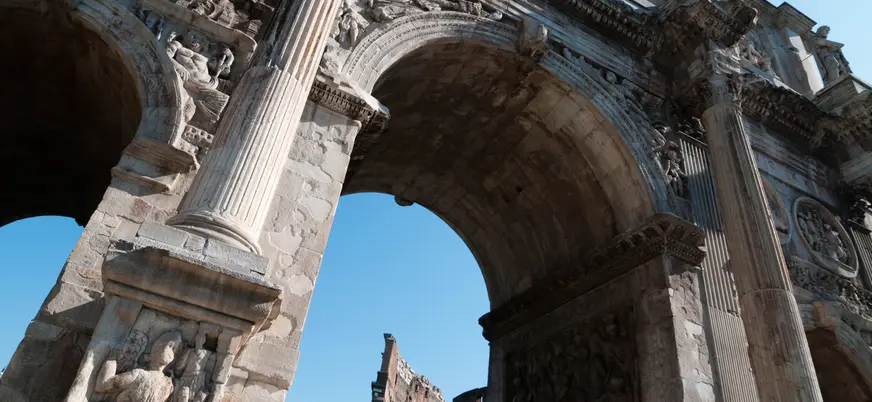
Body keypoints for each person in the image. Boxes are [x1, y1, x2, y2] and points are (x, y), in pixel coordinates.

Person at [95, 331, 183, 402]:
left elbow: (103, 385)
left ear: (154, 348)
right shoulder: (168, 386)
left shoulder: (139, 375)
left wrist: (112, 360)